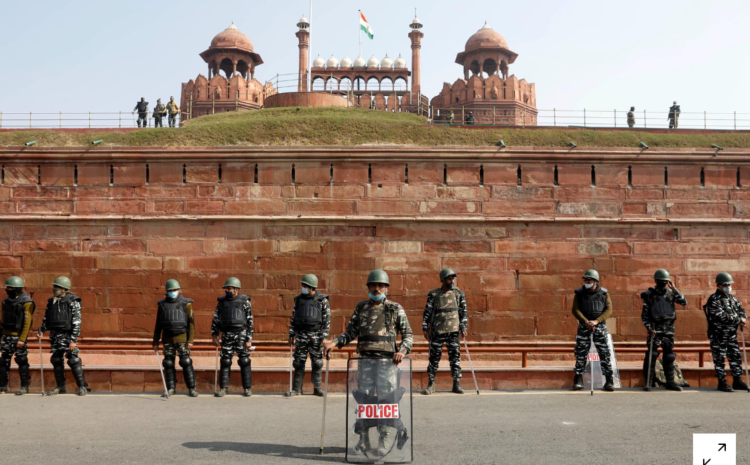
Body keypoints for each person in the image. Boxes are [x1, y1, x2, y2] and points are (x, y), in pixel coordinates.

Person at [323, 269, 412, 456]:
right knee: (364, 401)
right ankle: (363, 439)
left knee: (387, 401)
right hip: (365, 361)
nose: (377, 288)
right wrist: (334, 343)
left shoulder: (395, 309)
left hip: (387, 362)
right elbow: (350, 332)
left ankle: (385, 439)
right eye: (373, 285)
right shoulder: (361, 307)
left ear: (387, 287)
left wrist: (402, 351)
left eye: (380, 285)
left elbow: (408, 335)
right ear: (368, 287)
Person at [38, 277, 88, 396]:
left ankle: (82, 387)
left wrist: (73, 340)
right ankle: (60, 387)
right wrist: (42, 329)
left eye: (57, 287)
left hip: (67, 335)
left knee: (73, 360)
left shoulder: (72, 301)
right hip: (55, 335)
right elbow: (47, 317)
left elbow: (77, 321)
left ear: (64, 289)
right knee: (56, 360)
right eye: (54, 287)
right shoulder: (51, 301)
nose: (54, 289)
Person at [422, 268, 467, 395]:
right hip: (437, 331)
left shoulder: (459, 294)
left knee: (455, 359)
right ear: (442, 280)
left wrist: (464, 326)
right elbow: (427, 312)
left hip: (453, 331)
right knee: (434, 359)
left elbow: (463, 312)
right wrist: (425, 327)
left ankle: (456, 384)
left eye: (452, 278)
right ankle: (431, 384)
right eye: (449, 278)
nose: (451, 280)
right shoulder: (434, 294)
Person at [641, 269, 687, 391]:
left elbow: (683, 301)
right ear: (656, 281)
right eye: (661, 281)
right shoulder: (649, 295)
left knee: (669, 356)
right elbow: (644, 315)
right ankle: (648, 382)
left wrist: (674, 289)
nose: (663, 283)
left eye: (665, 281)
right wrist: (649, 328)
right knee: (652, 355)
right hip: (655, 329)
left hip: (668, 329)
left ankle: (670, 382)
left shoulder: (671, 294)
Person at [286, 274, 330, 397]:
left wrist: (324, 337)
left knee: (317, 362)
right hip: (301, 335)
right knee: (299, 362)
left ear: (312, 287)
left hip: (316, 335)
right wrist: (291, 335)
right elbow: (294, 318)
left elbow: (327, 321)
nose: (303, 288)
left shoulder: (322, 300)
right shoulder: (299, 300)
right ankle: (296, 389)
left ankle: (317, 388)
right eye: (303, 285)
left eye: (305, 286)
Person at [571, 269, 615, 392]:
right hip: (584, 326)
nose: (586, 282)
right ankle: (578, 379)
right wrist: (585, 321)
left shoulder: (604, 293)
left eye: (589, 280)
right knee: (581, 354)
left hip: (599, 327)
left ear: (595, 281)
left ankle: (609, 380)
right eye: (585, 280)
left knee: (604, 353)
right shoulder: (579, 293)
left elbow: (609, 310)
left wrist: (597, 321)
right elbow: (575, 309)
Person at [153, 279, 197, 397]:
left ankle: (192, 388)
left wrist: (190, 340)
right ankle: (171, 388)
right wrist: (155, 341)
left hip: (182, 338)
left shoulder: (186, 304)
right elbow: (158, 324)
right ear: (167, 292)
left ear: (178, 290)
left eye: (175, 290)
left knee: (186, 362)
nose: (173, 292)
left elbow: (191, 323)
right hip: (167, 339)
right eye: (171, 290)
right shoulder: (162, 305)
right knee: (168, 363)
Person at [704, 272, 748, 392]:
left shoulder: (732, 298)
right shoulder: (714, 299)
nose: (728, 286)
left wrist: (743, 318)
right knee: (719, 359)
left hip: (732, 335)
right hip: (719, 335)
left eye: (729, 284)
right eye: (725, 284)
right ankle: (721, 381)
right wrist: (739, 320)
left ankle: (737, 380)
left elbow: (741, 310)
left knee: (735, 358)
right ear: (718, 285)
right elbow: (721, 316)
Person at [211, 277, 253, 397]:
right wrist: (214, 334)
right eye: (226, 289)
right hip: (227, 335)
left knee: (244, 361)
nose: (227, 291)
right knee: (225, 361)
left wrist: (249, 339)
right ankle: (223, 388)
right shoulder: (222, 302)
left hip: (241, 335)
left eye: (229, 288)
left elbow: (250, 322)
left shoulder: (245, 302)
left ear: (236, 290)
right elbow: (216, 319)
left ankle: (247, 388)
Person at [0, 276, 35, 395]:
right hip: (6, 336)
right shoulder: (6, 301)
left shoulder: (26, 302)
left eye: (10, 288)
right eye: (7, 287)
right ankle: (2, 386)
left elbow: (27, 322)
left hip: (18, 337)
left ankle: (25, 386)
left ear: (16, 288)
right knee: (3, 361)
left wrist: (22, 339)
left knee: (21, 361)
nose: (7, 289)